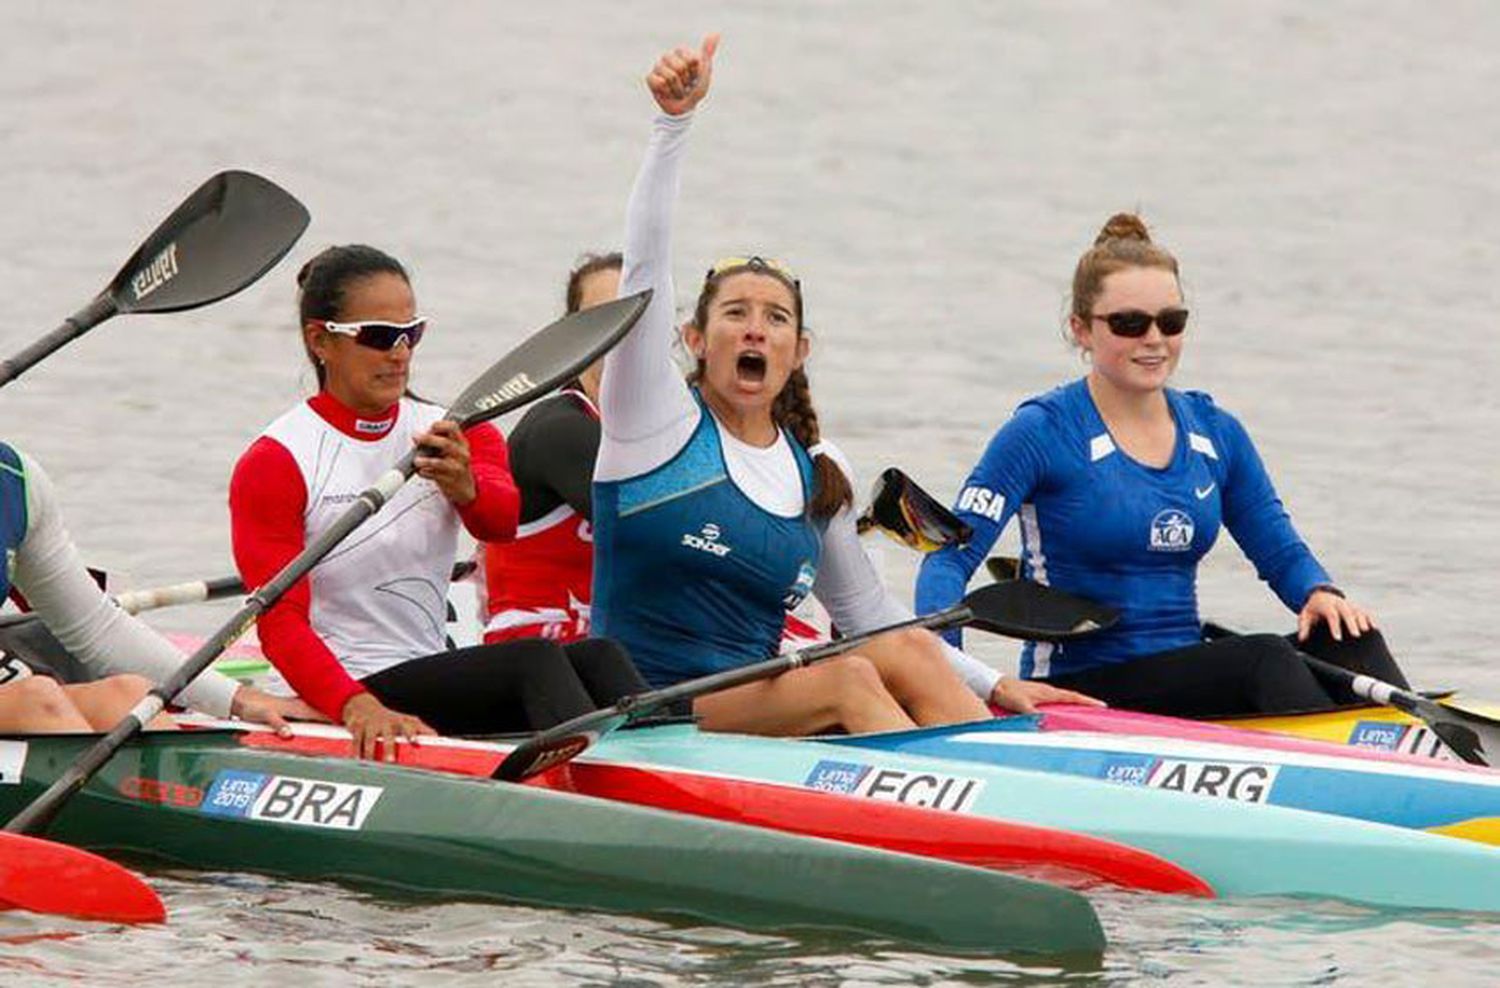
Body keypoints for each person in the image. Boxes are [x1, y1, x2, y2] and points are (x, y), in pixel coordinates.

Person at [588, 36, 1094, 737]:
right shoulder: (651, 425)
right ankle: (956, 813)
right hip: (643, 711)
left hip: (752, 713)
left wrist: (1000, 684)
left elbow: (871, 615)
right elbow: (646, 262)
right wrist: (673, 125)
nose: (755, 330)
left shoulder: (816, 475)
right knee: (849, 674)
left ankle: (1019, 781)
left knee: (906, 645)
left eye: (775, 319)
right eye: (735, 315)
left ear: (800, 351)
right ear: (695, 341)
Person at [915, 213, 1410, 717]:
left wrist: (1317, 591)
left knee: (1350, 636)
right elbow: (948, 560)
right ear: (1081, 330)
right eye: (1130, 324)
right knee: (1263, 658)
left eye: (1170, 322)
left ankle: (1443, 769)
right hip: (1082, 687)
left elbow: (1280, 550)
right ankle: (1347, 770)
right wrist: (958, 683)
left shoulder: (1216, 431)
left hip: (1184, 673)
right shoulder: (1041, 433)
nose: (1154, 338)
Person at [229, 245, 646, 759]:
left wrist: (466, 489)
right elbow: (279, 624)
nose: (400, 353)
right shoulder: (277, 461)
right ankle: (599, 801)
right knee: (534, 663)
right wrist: (354, 704)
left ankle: (687, 777)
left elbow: (503, 524)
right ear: (321, 340)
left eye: (412, 333)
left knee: (602, 659)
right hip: (342, 687)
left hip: (426, 669)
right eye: (379, 337)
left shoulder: (457, 432)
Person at [0, 442, 313, 733]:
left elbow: (97, 629)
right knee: (38, 699)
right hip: (27, 694)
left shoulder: (17, 481)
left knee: (129, 695)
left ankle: (178, 793)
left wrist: (237, 699)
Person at [482, 252, 620, 644]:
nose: (622, 333)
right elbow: (660, 538)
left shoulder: (671, 432)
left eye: (636, 317)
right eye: (604, 317)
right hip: (540, 644)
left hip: (617, 645)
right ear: (573, 335)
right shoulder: (559, 430)